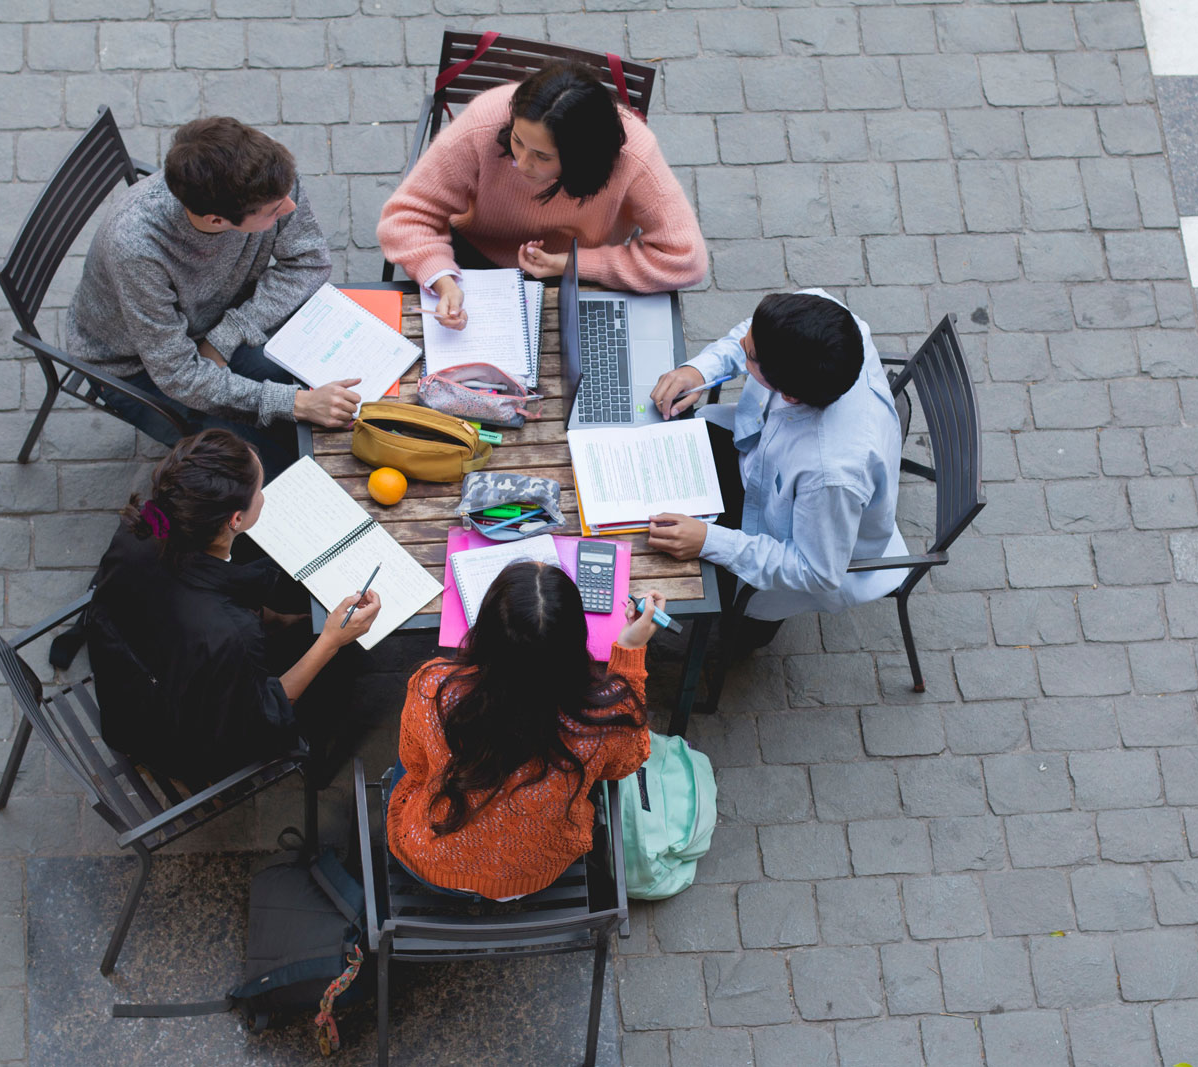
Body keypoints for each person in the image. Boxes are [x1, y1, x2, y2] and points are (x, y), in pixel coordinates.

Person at [65, 117, 361, 475]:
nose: (289, 209)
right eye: (271, 212)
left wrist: (225, 336)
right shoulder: (137, 249)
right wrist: (296, 404)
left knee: (328, 401)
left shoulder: (268, 174)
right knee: (271, 470)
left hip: (220, 319)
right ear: (217, 221)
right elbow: (179, 376)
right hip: (135, 366)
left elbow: (309, 261)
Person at [86, 429, 381, 788]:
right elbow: (266, 711)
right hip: (179, 742)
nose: (264, 496)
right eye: (260, 491)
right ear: (235, 520)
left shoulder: (144, 525)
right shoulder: (230, 633)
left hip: (128, 684)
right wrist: (331, 641)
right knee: (346, 662)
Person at [385, 563, 663, 899]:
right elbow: (625, 765)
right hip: (536, 873)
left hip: (431, 862)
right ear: (575, 640)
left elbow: (414, 763)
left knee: (414, 762)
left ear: (485, 631)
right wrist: (630, 651)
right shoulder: (602, 713)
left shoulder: (433, 687)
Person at [645, 290, 906, 646]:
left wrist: (709, 541)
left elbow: (815, 571)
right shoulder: (828, 320)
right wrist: (700, 370)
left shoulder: (831, 476)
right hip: (756, 458)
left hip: (790, 536)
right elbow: (750, 336)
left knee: (712, 620)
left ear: (790, 395)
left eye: (749, 356)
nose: (741, 342)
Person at [376, 59, 706, 331]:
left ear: (582, 157)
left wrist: (572, 264)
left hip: (570, 274)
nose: (522, 163)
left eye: (543, 156)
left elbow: (685, 259)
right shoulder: (485, 119)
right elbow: (406, 218)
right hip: (470, 258)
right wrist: (443, 279)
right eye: (517, 141)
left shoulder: (636, 156)